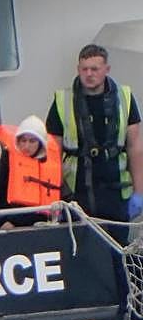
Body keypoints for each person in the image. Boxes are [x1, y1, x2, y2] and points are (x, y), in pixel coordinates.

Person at [47, 43, 143, 243]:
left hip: (116, 191)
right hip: (77, 192)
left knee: (118, 250)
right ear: (78, 69)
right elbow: (52, 152)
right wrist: (54, 195)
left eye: (95, 69)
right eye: (84, 69)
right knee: (84, 250)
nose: (89, 74)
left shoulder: (125, 98)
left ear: (106, 70)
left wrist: (139, 192)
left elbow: (135, 148)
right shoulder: (62, 101)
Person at [0, 115, 66, 226]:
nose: (27, 146)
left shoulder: (51, 164)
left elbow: (66, 197)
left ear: (41, 143)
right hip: (13, 224)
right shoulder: (7, 162)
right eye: (23, 141)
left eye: (32, 141)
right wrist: (1, 223)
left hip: (45, 223)